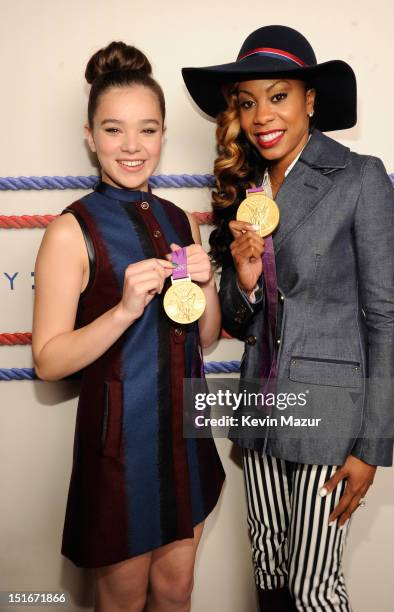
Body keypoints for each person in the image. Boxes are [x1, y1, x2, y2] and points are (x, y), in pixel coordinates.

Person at [182, 25, 394, 611]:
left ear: (310, 100)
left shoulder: (360, 178)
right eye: (248, 101)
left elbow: (384, 319)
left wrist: (371, 446)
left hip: (330, 413)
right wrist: (247, 280)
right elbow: (235, 317)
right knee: (270, 571)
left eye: (278, 96)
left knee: (312, 586)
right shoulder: (240, 190)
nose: (261, 116)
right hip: (260, 409)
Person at [32, 41, 225, 612]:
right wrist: (121, 311)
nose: (132, 146)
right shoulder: (71, 230)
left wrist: (209, 281)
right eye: (114, 130)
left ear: (164, 134)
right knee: (121, 599)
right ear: (91, 136)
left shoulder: (179, 219)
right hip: (121, 448)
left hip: (185, 432)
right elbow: (48, 360)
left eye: (148, 129)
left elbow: (207, 338)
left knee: (177, 590)